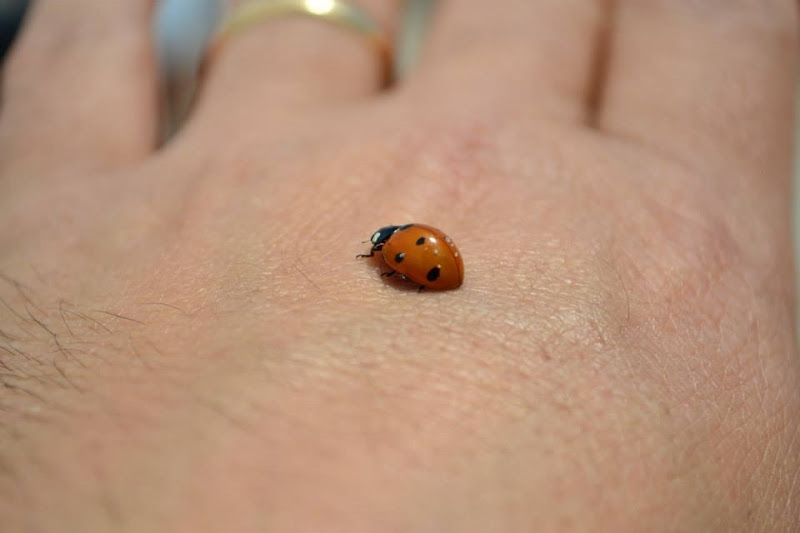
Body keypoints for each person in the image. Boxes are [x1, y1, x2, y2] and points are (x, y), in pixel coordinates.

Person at [0, 1, 798, 530]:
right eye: (393, 256)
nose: (391, 259)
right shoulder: (404, 247)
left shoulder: (403, 250)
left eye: (390, 255)